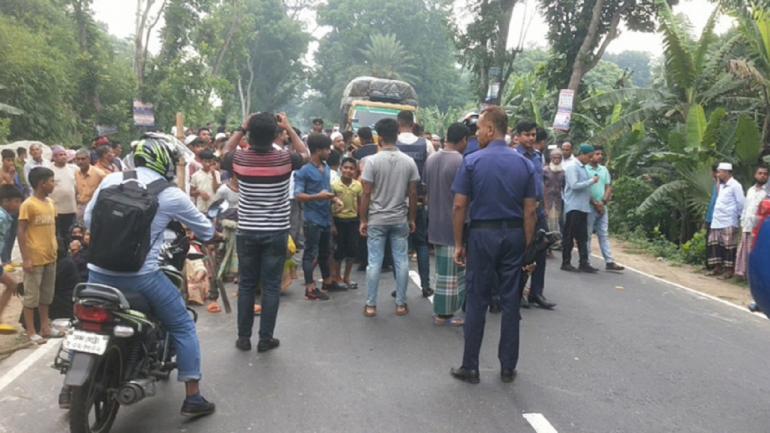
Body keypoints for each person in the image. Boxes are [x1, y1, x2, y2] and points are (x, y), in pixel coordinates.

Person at [85, 134, 216, 417]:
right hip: (141, 278)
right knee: (182, 324)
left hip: (95, 273)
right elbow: (206, 231)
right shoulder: (170, 194)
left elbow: (88, 220)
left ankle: (69, 391)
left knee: (82, 323)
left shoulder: (111, 180)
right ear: (164, 162)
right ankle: (193, 397)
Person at [449, 106, 537, 384]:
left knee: (477, 299)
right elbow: (531, 210)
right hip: (513, 236)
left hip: (482, 235)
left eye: (479, 128)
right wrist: (527, 246)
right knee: (511, 301)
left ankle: (470, 366)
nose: (477, 134)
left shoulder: (472, 161)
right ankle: (508, 366)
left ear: (490, 129)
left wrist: (459, 243)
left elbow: (460, 204)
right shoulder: (524, 164)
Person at [223, 112, 308, 353]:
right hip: (276, 232)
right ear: (275, 134)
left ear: (249, 133)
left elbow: (224, 153)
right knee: (271, 287)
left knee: (247, 285)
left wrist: (241, 127)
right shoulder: (285, 160)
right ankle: (265, 338)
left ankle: (243, 337)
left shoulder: (240, 159)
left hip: (247, 231)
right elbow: (305, 154)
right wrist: (289, 128)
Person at [360, 118, 419, 318]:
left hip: (377, 218)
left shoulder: (372, 161)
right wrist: (412, 219)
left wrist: (363, 219)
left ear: (380, 137)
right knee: (401, 261)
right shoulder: (408, 161)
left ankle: (371, 305)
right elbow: (413, 194)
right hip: (399, 217)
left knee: (374, 262)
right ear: (397, 135)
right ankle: (401, 304)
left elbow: (366, 193)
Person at [424, 122, 468, 326]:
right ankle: (448, 312)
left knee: (443, 270)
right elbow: (464, 199)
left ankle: (442, 311)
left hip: (435, 220)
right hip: (454, 223)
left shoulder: (431, 159)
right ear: (463, 140)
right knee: (455, 272)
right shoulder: (461, 161)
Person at [295, 133, 344, 300]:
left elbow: (326, 191)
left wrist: (334, 198)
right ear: (317, 150)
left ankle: (328, 281)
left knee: (325, 251)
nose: (329, 152)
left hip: (325, 217)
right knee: (310, 253)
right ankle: (310, 287)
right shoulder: (304, 171)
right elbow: (298, 195)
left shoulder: (327, 168)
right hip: (312, 219)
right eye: (326, 149)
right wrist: (318, 197)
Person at [515, 122, 556, 310]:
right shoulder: (514, 156)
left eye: (533, 135)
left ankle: (536, 292)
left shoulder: (538, 156)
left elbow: (541, 184)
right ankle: (518, 292)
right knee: (522, 252)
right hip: (522, 212)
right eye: (527, 135)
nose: (531, 138)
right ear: (518, 136)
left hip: (539, 211)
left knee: (540, 251)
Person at [18, 167, 59, 344]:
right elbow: (21, 231)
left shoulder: (50, 203)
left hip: (50, 256)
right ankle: (31, 331)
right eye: (51, 181)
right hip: (35, 258)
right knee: (31, 297)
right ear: (42, 184)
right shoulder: (28, 204)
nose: (53, 184)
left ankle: (45, 327)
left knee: (46, 296)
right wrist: (26, 258)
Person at [396, 110, 432, 298]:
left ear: (398, 122)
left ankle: (399, 287)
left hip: (397, 203)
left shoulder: (391, 144)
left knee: (399, 245)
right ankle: (426, 285)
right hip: (419, 201)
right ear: (413, 123)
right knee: (422, 244)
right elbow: (429, 173)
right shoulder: (425, 144)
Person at [585, 147, 624, 272]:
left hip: (602, 206)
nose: (600, 156)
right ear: (591, 155)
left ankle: (609, 261)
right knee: (588, 234)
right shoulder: (585, 169)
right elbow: (585, 189)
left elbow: (608, 187)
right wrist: (595, 203)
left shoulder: (604, 170)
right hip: (589, 206)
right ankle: (586, 261)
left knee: (604, 234)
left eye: (601, 154)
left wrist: (602, 202)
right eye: (597, 154)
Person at [561, 143, 599, 273]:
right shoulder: (573, 167)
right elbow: (574, 185)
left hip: (583, 207)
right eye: (589, 156)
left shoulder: (583, 168)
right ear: (582, 154)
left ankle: (584, 262)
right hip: (573, 207)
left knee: (583, 237)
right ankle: (566, 262)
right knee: (569, 236)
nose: (590, 159)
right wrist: (591, 181)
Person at [708, 162, 746, 279]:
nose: (718, 174)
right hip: (717, 220)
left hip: (729, 220)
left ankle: (728, 270)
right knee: (715, 244)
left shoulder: (735, 185)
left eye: (720, 172)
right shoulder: (721, 185)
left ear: (726, 172)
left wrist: (738, 218)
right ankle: (717, 268)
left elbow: (741, 203)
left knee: (729, 246)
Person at [332, 157, 362, 289]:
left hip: (353, 221)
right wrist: (332, 224)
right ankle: (337, 277)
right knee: (339, 251)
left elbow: (361, 204)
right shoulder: (334, 185)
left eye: (351, 168)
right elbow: (329, 205)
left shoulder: (358, 185)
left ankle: (347, 277)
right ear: (340, 168)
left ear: (355, 171)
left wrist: (363, 221)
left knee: (352, 250)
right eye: (346, 167)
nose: (348, 171)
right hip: (338, 221)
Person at [736, 165, 769, 278]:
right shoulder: (750, 190)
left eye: (765, 174)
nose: (762, 175)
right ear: (755, 175)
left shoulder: (768, 193)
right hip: (747, 225)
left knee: (755, 252)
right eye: (760, 173)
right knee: (745, 250)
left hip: (759, 228)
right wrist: (742, 222)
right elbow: (746, 208)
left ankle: (754, 276)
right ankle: (743, 274)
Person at [0, 185, 23, 327]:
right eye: (16, 201)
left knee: (12, 284)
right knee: (12, 284)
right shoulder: (2, 218)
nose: (19, 205)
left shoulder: (6, 217)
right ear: (5, 201)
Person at [49, 146, 78, 244]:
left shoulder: (73, 168)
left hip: (70, 208)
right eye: (60, 155)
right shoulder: (49, 170)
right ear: (54, 157)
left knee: (69, 233)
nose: (63, 157)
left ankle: (68, 255)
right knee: (56, 234)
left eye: (64, 154)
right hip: (55, 209)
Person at [74, 149, 106, 224]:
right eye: (78, 159)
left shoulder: (99, 174)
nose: (80, 161)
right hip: (80, 208)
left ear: (89, 159)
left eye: (83, 159)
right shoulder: (76, 173)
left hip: (94, 208)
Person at [543, 148, 565, 234]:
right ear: (551, 158)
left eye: (559, 158)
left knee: (557, 224)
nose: (556, 160)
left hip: (558, 201)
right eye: (554, 157)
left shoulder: (563, 172)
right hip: (546, 201)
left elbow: (564, 187)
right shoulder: (545, 171)